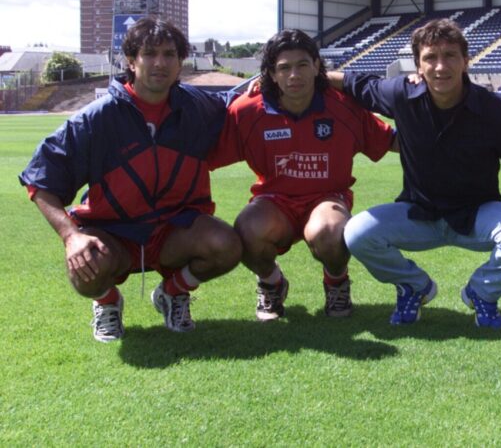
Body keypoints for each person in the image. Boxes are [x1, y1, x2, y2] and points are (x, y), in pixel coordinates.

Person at [330, 19, 501, 328]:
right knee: (358, 232)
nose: (440, 66)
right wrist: (303, 77)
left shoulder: (492, 109)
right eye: (430, 57)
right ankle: (414, 286)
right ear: (418, 65)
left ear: (466, 61)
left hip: (476, 215)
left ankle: (481, 292)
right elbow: (352, 83)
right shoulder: (400, 95)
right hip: (419, 214)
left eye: (450, 56)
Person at [19, 17, 242, 342]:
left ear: (181, 62)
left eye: (169, 54)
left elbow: (242, 103)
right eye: (149, 54)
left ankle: (172, 292)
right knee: (85, 265)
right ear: (130, 61)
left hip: (174, 231)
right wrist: (71, 236)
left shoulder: (199, 108)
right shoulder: (96, 118)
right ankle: (107, 302)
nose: (160, 63)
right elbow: (40, 180)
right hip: (114, 234)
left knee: (227, 245)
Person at [208, 29, 395, 320]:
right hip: (274, 201)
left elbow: (390, 141)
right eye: (284, 68)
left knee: (330, 232)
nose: (294, 75)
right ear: (271, 73)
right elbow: (207, 157)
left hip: (327, 198)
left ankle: (336, 283)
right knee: (246, 230)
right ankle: (272, 284)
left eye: (302, 65)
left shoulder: (343, 107)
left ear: (317, 66)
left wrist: (444, 140)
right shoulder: (247, 112)